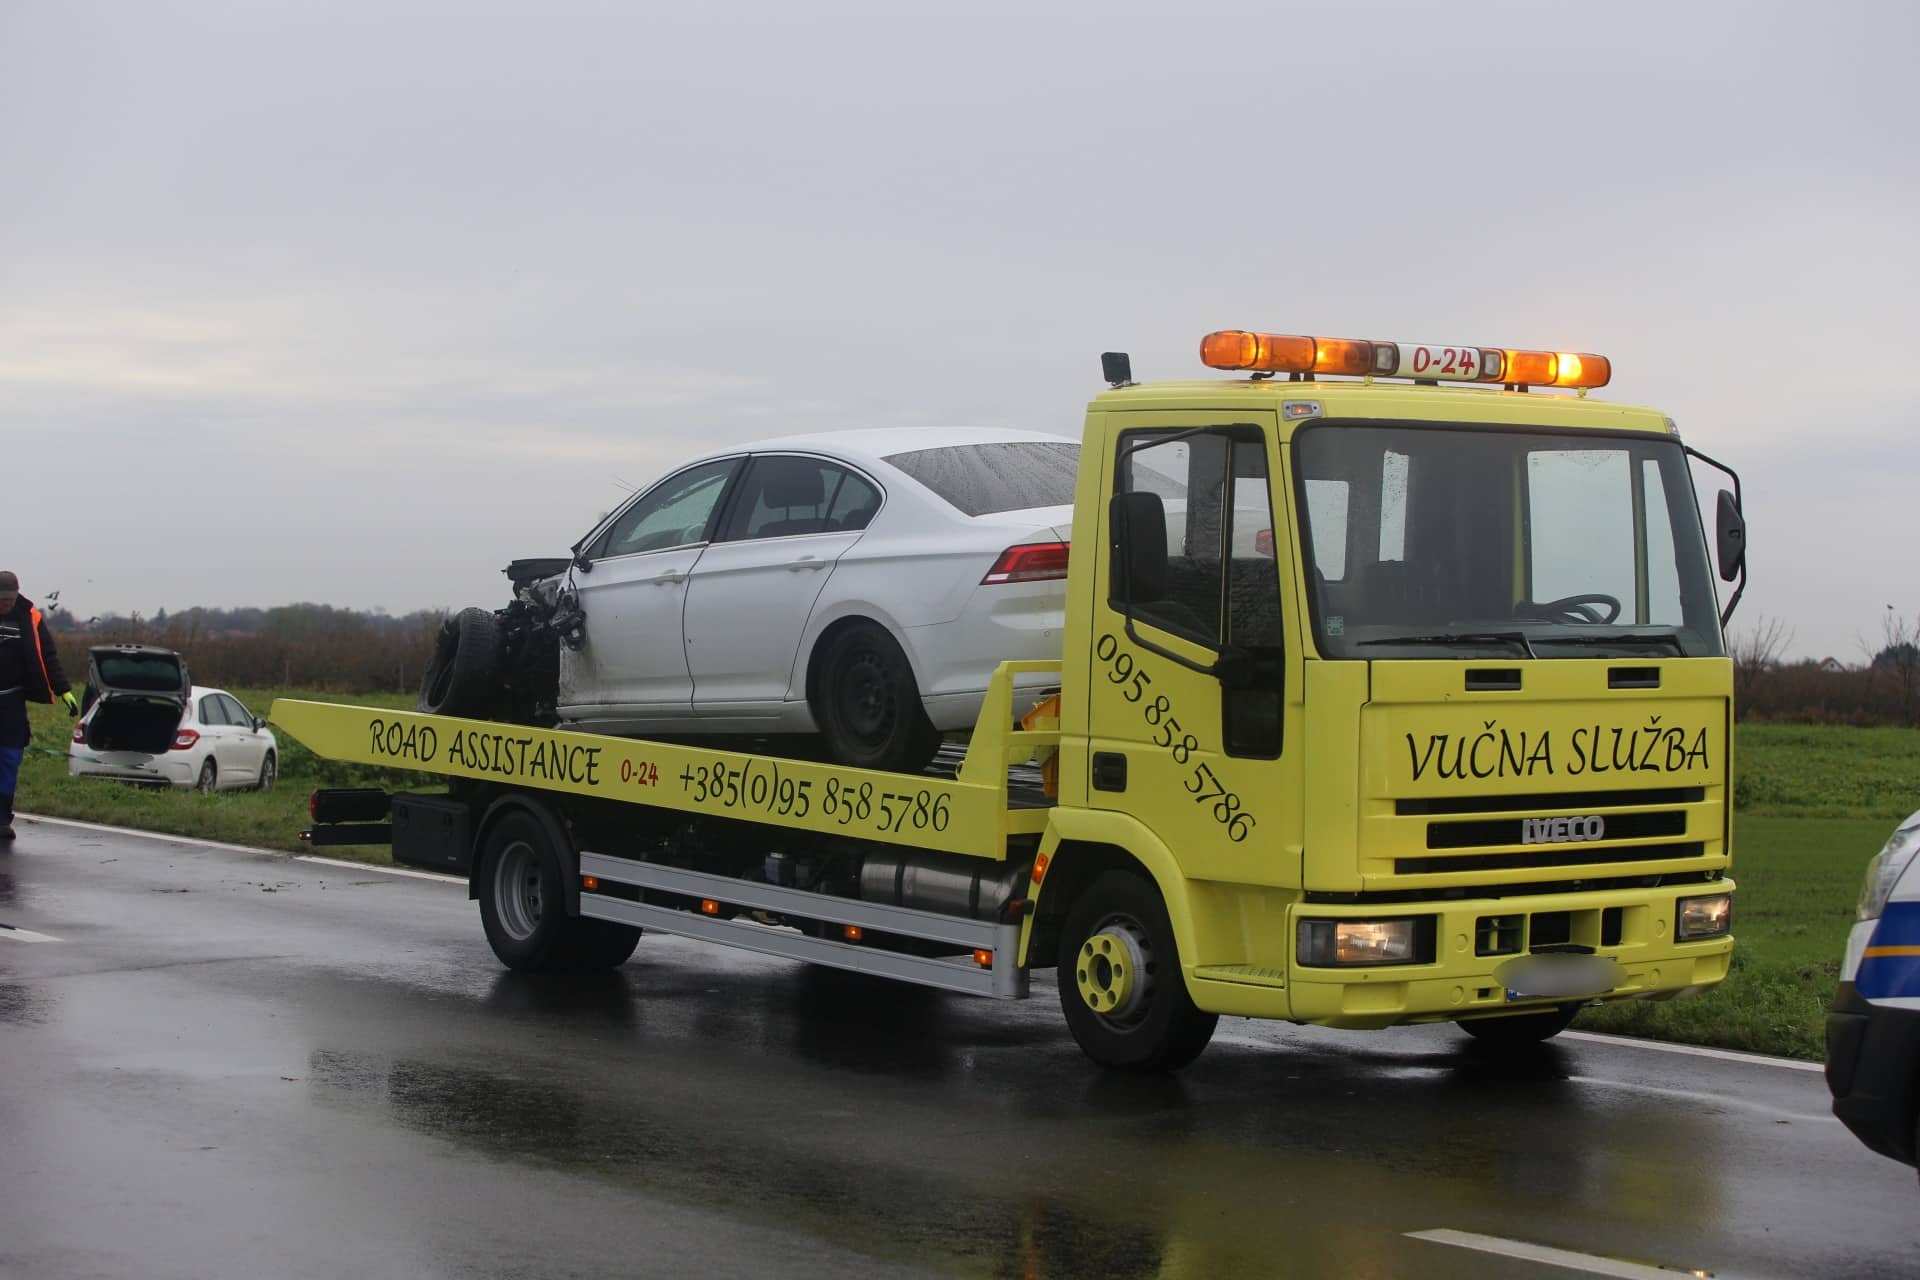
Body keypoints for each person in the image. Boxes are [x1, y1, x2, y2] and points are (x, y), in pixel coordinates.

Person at [0, 571, 78, 842]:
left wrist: (64, 690)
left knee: (9, 759)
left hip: (11, 700)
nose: (6, 605)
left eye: (9, 600)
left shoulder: (29, 617)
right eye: (1, 600)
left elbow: (48, 655)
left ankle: (2, 818)